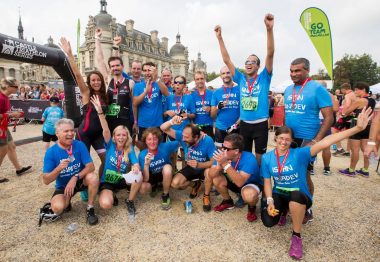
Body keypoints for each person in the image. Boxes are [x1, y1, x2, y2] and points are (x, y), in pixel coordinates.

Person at [260, 107, 372, 260]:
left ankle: (296, 237)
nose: (283, 142)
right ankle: (283, 210)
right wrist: (270, 200)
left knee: (295, 198)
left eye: (287, 139)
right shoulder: (267, 158)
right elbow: (267, 182)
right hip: (279, 193)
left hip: (299, 195)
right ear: (275, 138)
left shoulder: (300, 153)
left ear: (292, 141)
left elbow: (326, 141)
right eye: (280, 138)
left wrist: (357, 128)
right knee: (267, 221)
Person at [215, 13, 274, 164]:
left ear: (258, 66)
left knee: (260, 156)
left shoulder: (264, 77)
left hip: (260, 123)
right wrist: (220, 38)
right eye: (247, 61)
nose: (249, 63)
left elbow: (270, 53)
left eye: (253, 62)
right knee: (246, 155)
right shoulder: (240, 78)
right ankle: (247, 177)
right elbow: (226, 59)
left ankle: (260, 181)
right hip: (245, 124)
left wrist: (269, 30)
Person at [283, 58, 333, 223]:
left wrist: (316, 140)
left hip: (307, 138)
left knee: (303, 174)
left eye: (297, 71)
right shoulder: (289, 89)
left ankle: (308, 207)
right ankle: (290, 203)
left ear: (307, 71)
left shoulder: (318, 88)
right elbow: (287, 114)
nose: (293, 74)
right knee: (288, 171)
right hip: (290, 138)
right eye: (291, 71)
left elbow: (329, 118)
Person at [59, 37, 108, 179]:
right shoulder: (86, 93)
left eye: (98, 79)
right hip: (84, 134)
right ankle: (82, 186)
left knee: (106, 160)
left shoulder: (106, 96)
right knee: (82, 164)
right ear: (89, 82)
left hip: (98, 135)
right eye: (93, 80)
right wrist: (69, 54)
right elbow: (77, 75)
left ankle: (103, 183)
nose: (96, 82)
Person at [42, 118, 99, 225]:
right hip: (63, 186)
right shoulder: (51, 152)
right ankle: (66, 202)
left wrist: (75, 177)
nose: (70, 134)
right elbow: (46, 180)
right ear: (57, 133)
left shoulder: (79, 145)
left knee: (93, 177)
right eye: (66, 131)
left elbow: (91, 166)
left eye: (72, 130)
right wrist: (58, 168)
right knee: (58, 208)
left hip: (80, 180)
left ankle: (90, 208)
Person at [91, 95, 141, 215]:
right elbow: (106, 130)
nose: (121, 137)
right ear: (114, 137)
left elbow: (136, 163)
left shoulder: (129, 148)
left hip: (122, 178)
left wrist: (135, 167)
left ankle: (130, 200)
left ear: (127, 136)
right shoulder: (110, 144)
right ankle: (111, 193)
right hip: (107, 180)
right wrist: (100, 112)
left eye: (124, 135)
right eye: (118, 135)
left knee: (138, 175)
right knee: (105, 204)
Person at [206, 134, 261, 222]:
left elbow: (240, 182)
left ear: (236, 151)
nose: (223, 150)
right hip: (233, 181)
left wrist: (225, 164)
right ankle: (227, 201)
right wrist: (218, 167)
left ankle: (251, 207)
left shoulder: (249, 158)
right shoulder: (223, 156)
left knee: (249, 195)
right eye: (223, 146)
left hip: (249, 183)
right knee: (216, 178)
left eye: (226, 149)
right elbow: (210, 175)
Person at [160, 116, 215, 200]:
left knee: (209, 173)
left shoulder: (207, 140)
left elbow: (214, 162)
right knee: (175, 183)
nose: (183, 139)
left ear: (196, 137)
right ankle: (195, 184)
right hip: (191, 167)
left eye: (186, 137)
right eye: (183, 136)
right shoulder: (183, 136)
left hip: (204, 167)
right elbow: (163, 128)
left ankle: (206, 196)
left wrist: (199, 165)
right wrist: (172, 121)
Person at [95, 28, 135, 134]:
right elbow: (100, 59)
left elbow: (134, 104)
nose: (115, 68)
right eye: (112, 66)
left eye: (118, 65)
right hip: (110, 120)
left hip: (125, 120)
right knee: (111, 147)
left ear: (122, 66)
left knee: (126, 147)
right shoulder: (108, 79)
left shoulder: (130, 83)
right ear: (110, 68)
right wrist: (97, 39)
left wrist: (135, 121)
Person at [339, 82, 376, 177]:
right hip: (367, 125)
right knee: (364, 149)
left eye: (356, 90)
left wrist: (346, 110)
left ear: (363, 89)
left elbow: (346, 111)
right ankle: (365, 170)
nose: (355, 92)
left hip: (357, 125)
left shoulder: (360, 101)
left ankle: (351, 170)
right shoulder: (372, 100)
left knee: (354, 149)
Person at [0, 77, 32, 183]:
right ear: (9, 87)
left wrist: (11, 115)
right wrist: (11, 115)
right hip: (1, 126)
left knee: (11, 146)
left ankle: (19, 169)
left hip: (3, 125)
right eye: (16, 87)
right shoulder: (1, 97)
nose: (18, 89)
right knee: (3, 149)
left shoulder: (5, 97)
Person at [138, 127, 179, 210]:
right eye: (149, 139)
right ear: (145, 141)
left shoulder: (165, 146)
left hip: (164, 173)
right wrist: (146, 164)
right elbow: (145, 179)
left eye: (155, 139)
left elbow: (182, 140)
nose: (152, 142)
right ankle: (154, 186)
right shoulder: (142, 155)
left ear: (159, 140)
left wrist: (200, 135)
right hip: (151, 176)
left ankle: (165, 194)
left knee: (167, 168)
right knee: (142, 189)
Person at [133, 62, 169, 144]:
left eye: (149, 70)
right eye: (145, 70)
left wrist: (157, 79)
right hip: (143, 124)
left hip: (157, 124)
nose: (147, 73)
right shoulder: (138, 86)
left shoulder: (158, 84)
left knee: (159, 149)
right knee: (143, 149)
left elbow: (167, 94)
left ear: (155, 71)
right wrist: (146, 91)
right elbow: (135, 103)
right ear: (142, 72)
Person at [211, 66, 240, 148]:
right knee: (220, 154)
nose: (225, 75)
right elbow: (212, 115)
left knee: (235, 154)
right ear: (220, 76)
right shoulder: (216, 92)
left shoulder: (239, 89)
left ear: (232, 74)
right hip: (220, 129)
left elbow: (244, 111)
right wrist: (217, 107)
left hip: (236, 128)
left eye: (228, 72)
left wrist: (237, 124)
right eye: (223, 73)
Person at [318, 81, 339, 175]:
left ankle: (310, 168)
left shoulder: (315, 93)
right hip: (325, 121)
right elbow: (336, 108)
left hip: (316, 121)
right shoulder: (331, 95)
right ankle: (326, 168)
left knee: (312, 144)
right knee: (326, 146)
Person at [332, 83, 357, 156]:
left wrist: (343, 113)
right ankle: (348, 151)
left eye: (342, 90)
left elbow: (348, 105)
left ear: (344, 89)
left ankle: (340, 149)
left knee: (334, 131)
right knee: (350, 134)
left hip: (346, 116)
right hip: (353, 116)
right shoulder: (355, 94)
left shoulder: (347, 95)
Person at [191, 71, 214, 139]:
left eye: (201, 78)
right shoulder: (191, 96)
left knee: (209, 147)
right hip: (196, 126)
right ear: (194, 81)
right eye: (197, 79)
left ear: (205, 79)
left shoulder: (212, 94)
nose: (200, 81)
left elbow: (216, 113)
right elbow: (191, 112)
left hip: (209, 126)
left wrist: (211, 109)